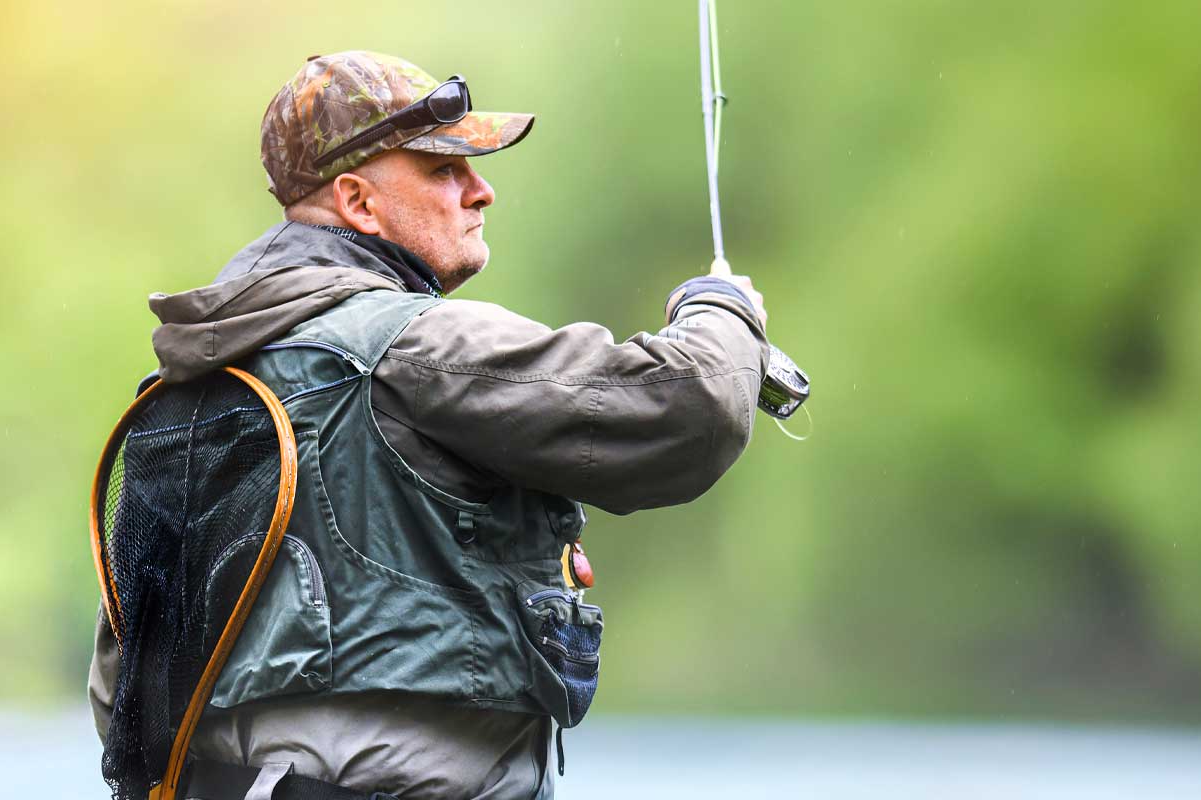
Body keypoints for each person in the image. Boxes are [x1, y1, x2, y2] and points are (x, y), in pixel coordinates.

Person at [90, 50, 771, 800]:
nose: (480, 192)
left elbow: (118, 680)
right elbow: (689, 408)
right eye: (444, 170)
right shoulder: (413, 345)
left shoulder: (183, 385)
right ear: (358, 201)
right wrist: (720, 310)